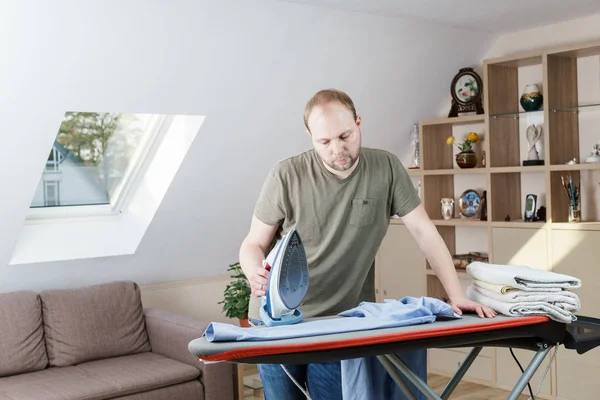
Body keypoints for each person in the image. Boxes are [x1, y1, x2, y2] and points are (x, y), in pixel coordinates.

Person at [238, 88, 496, 399]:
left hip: (340, 321)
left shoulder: (385, 168)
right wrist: (254, 271)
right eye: (325, 142)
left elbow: (424, 232)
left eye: (345, 135)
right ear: (310, 136)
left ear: (359, 122)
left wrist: (456, 295)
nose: (338, 149)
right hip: (277, 321)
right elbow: (253, 243)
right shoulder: (286, 175)